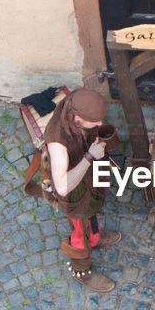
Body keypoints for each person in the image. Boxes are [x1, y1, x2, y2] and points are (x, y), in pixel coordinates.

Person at [43, 88, 121, 292]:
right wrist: (90, 157)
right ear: (77, 118)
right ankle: (82, 271)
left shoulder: (75, 103)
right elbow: (62, 186)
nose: (99, 125)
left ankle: (95, 237)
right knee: (80, 232)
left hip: (89, 175)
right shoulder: (57, 142)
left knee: (93, 211)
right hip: (74, 191)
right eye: (94, 122)